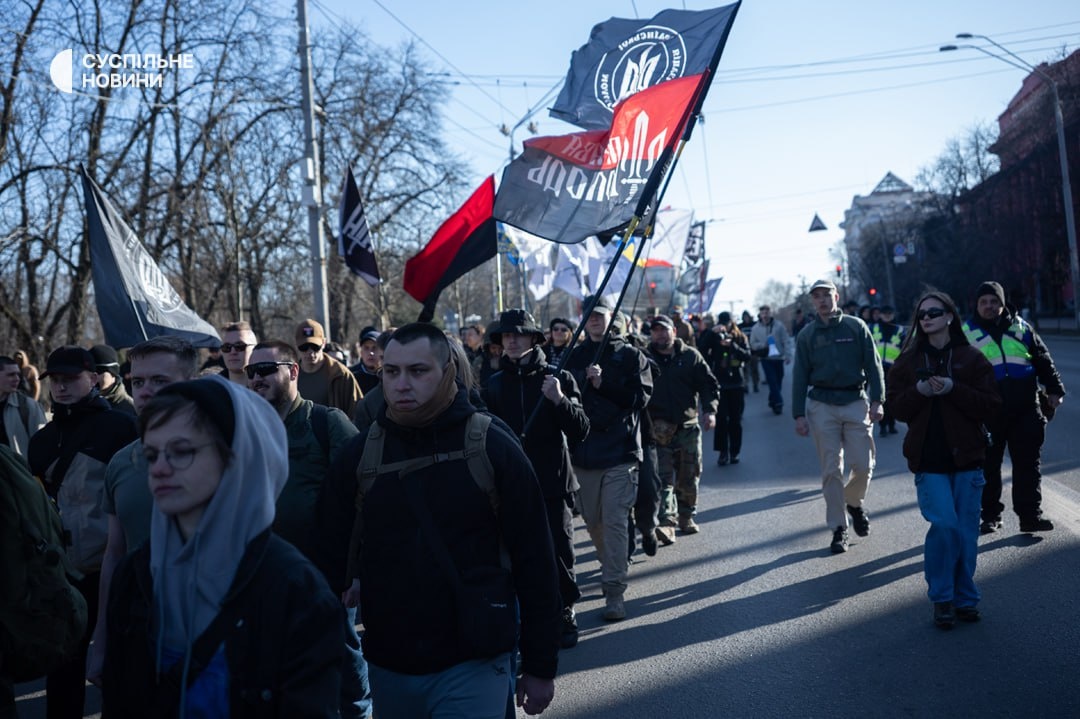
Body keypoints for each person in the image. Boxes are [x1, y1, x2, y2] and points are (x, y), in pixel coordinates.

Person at [323, 323, 559, 718]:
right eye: (391, 371)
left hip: (475, 661)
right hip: (390, 665)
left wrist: (540, 665)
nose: (401, 384)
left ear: (447, 370)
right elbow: (327, 553)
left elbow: (536, 560)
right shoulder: (360, 454)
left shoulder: (491, 444)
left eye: (418, 371)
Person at [101, 375, 348, 716]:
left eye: (181, 452)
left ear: (236, 457)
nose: (159, 469)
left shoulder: (295, 590)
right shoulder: (137, 575)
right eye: (151, 454)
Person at [246, 340, 371, 718]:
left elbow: (364, 497)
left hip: (326, 569)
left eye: (266, 369)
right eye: (251, 372)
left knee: (341, 653)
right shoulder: (247, 430)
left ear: (293, 371)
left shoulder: (326, 422)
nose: (256, 378)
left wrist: (357, 569)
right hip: (265, 572)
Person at [27, 346, 137, 719]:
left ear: (93, 379)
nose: (61, 386)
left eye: (71, 378)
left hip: (115, 567)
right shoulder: (41, 441)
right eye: (55, 380)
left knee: (118, 671)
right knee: (63, 668)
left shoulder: (122, 427)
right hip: (63, 573)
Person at [86, 336, 200, 688]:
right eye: (138, 381)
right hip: (138, 632)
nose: (146, 391)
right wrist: (102, 641)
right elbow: (114, 555)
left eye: (160, 381)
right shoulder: (121, 462)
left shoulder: (227, 454)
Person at [887, 291, 1000, 628]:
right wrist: (918, 392)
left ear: (950, 316)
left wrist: (953, 387)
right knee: (945, 526)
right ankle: (942, 598)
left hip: (968, 458)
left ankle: (965, 598)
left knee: (965, 533)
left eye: (934, 312)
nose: (927, 318)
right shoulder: (907, 362)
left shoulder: (971, 358)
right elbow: (896, 408)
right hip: (929, 459)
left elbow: (991, 406)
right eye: (922, 315)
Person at [483, 309, 590, 649]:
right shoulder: (495, 384)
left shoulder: (557, 377)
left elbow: (581, 430)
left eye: (518, 334)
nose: (511, 341)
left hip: (553, 483)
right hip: (510, 486)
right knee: (517, 555)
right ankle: (525, 617)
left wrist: (558, 400)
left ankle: (565, 610)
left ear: (533, 338)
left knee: (560, 552)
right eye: (505, 336)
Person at [564, 295, 652, 621]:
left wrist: (604, 384)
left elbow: (640, 399)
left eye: (600, 314)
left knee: (615, 522)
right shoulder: (574, 355)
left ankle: (614, 591)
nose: (595, 320)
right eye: (589, 315)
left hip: (620, 451)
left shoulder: (630, 356)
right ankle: (611, 564)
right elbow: (568, 403)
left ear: (611, 316)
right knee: (594, 522)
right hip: (584, 455)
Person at [961, 281, 1066, 534]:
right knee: (988, 467)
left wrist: (1054, 389)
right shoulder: (965, 333)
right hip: (987, 412)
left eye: (994, 301)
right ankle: (990, 516)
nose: (989, 306)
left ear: (1002, 303)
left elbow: (1043, 359)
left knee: (1028, 465)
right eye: (984, 302)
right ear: (976, 305)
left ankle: (1030, 517)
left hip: (1025, 409)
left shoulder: (1021, 327)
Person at [792, 280, 885, 554]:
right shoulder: (807, 335)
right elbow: (799, 377)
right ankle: (839, 528)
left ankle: (854, 503)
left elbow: (874, 365)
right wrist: (798, 414)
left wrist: (878, 401)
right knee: (831, 469)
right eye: (817, 297)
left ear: (837, 297)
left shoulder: (856, 327)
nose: (822, 300)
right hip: (822, 404)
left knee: (864, 464)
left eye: (826, 295)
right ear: (813, 302)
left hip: (855, 400)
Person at [644, 315, 718, 536]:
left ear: (674, 331)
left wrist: (710, 411)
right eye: (655, 330)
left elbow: (708, 385)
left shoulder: (690, 357)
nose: (660, 334)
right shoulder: (644, 359)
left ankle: (686, 516)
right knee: (663, 477)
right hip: (658, 428)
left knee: (689, 474)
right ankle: (667, 521)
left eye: (664, 330)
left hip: (687, 426)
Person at [699, 312, 751, 465]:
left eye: (727, 323)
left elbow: (747, 356)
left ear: (731, 323)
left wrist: (732, 346)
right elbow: (701, 351)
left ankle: (735, 452)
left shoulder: (740, 337)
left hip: (736, 383)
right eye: (722, 323)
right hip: (719, 383)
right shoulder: (713, 336)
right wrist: (710, 333)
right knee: (721, 420)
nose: (724, 327)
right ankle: (723, 452)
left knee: (736, 420)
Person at [296, 318, 364, 417]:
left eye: (315, 347)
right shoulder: (290, 376)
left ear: (323, 343)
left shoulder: (340, 374)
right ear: (296, 345)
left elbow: (357, 412)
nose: (310, 352)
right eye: (304, 347)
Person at [750, 305, 793, 415]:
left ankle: (772, 399)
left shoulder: (778, 326)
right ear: (760, 314)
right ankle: (779, 403)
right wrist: (762, 345)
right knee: (772, 381)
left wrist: (788, 355)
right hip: (766, 358)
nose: (765, 315)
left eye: (767, 312)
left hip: (778, 358)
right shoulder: (755, 328)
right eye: (763, 313)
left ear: (770, 313)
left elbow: (786, 340)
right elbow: (752, 344)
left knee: (778, 381)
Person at [0, 354, 46, 457]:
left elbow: (43, 447)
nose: (17, 379)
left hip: (18, 470)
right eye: (11, 375)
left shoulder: (29, 406)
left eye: (18, 374)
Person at [872, 305, 905, 436]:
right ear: (880, 314)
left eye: (889, 313)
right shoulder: (873, 328)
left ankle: (892, 424)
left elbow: (905, 348)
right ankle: (883, 426)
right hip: (877, 367)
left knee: (892, 397)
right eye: (884, 313)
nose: (887, 316)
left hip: (894, 368)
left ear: (893, 314)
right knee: (881, 398)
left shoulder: (899, 330)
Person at [90, 344, 135, 416]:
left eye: (98, 371)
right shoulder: (82, 406)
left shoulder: (131, 409)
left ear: (113, 373)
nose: (92, 377)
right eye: (89, 372)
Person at [219, 320, 257, 385]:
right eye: (227, 347)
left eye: (239, 346)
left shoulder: (267, 386)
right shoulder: (212, 388)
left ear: (255, 349)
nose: (232, 352)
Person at [349, 326, 383, 395]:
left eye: (374, 348)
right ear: (360, 351)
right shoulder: (351, 375)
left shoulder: (388, 375)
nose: (371, 353)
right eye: (366, 348)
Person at [738, 310, 759, 393]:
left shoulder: (754, 325)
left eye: (747, 317)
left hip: (754, 350)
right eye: (744, 317)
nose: (746, 318)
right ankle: (745, 385)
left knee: (754, 369)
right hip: (745, 351)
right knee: (745, 370)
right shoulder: (740, 326)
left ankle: (755, 384)